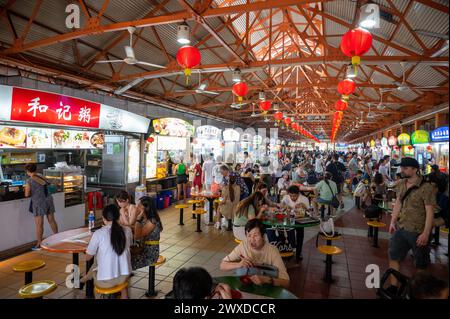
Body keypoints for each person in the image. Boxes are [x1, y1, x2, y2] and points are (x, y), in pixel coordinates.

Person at [387, 158, 437, 294]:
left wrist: (426, 233)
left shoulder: (427, 188)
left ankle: (418, 291)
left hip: (418, 231)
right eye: (401, 168)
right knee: (394, 256)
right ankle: (393, 287)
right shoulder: (402, 184)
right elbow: (398, 202)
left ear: (415, 169)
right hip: (401, 227)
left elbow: (430, 211)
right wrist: (392, 221)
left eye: (405, 168)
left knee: (421, 264)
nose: (401, 170)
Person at [220, 219, 290, 288]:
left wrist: (267, 280)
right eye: (249, 235)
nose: (252, 240)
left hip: (267, 289)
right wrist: (239, 264)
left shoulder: (272, 251)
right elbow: (222, 266)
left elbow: (286, 282)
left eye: (255, 235)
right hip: (247, 287)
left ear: (263, 236)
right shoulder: (243, 246)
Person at [84, 204, 132, 299]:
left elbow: (87, 257)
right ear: (119, 216)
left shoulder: (98, 234)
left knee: (96, 263)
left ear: (103, 218)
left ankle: (85, 282)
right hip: (124, 277)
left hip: (105, 282)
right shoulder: (128, 230)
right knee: (124, 287)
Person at [24, 163, 58, 250]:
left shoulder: (29, 181)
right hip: (48, 200)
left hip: (38, 202)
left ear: (27, 171)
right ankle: (58, 239)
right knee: (52, 220)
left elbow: (27, 194)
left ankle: (39, 244)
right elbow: (49, 183)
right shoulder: (41, 175)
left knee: (39, 224)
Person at [131, 196, 163, 271]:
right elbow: (135, 228)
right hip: (142, 249)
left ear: (146, 208)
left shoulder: (152, 221)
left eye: (139, 206)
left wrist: (138, 220)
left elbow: (137, 236)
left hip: (149, 253)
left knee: (126, 261)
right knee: (124, 257)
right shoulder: (145, 218)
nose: (136, 207)